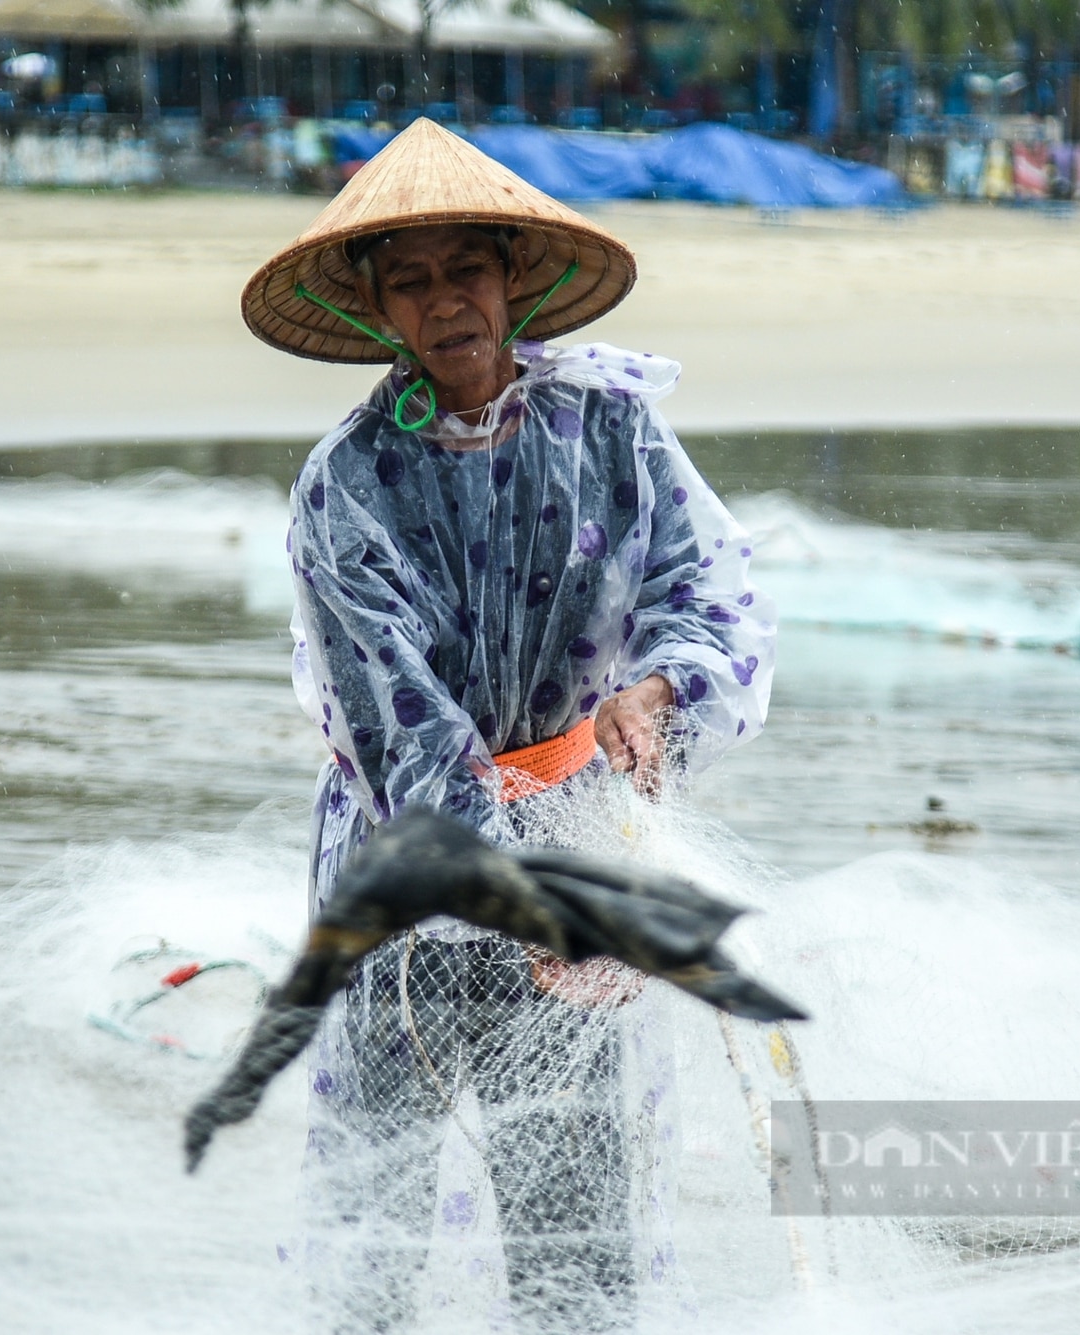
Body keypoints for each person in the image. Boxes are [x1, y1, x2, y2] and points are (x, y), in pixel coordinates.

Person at [241, 118, 775, 1332]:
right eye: (410, 280)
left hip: (577, 844)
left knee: (572, 1229)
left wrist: (659, 693)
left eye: (464, 270)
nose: (444, 304)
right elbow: (401, 733)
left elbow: (708, 594)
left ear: (513, 279)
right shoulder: (346, 485)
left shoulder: (613, 430)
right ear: (377, 308)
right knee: (374, 1234)